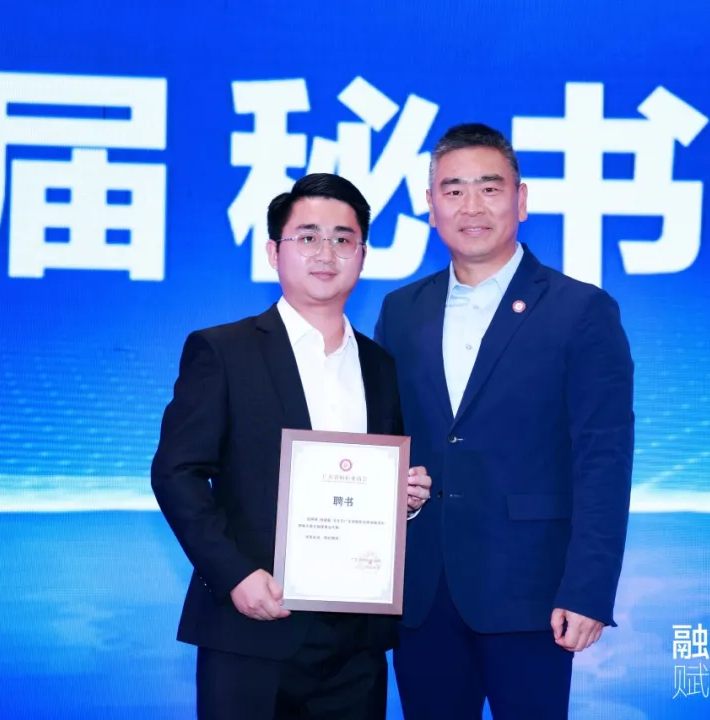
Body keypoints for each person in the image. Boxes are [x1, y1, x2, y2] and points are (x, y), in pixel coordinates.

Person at [373, 123, 635, 719]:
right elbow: (386, 437)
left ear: (521, 199)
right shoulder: (401, 310)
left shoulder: (580, 309)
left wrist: (589, 589)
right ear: (431, 205)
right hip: (422, 592)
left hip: (534, 594)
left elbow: (604, 459)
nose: (471, 206)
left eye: (489, 188)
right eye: (453, 190)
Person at [151, 173, 432, 720]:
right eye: (307, 237)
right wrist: (234, 575)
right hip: (251, 625)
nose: (326, 252)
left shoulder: (380, 365)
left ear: (363, 255)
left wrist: (404, 499)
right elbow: (176, 473)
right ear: (273, 252)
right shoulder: (223, 350)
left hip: (356, 640)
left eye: (343, 238)